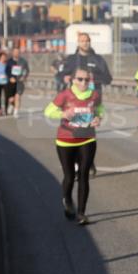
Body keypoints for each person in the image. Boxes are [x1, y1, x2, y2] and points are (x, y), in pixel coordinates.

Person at [44, 68, 104, 225]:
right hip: (66, 140)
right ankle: (68, 200)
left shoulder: (94, 95)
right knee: (69, 176)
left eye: (86, 79)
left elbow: (100, 109)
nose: (83, 82)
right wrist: (63, 114)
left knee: (84, 175)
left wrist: (98, 118)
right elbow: (48, 111)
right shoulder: (65, 95)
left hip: (87, 139)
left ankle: (81, 213)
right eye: (80, 79)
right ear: (73, 80)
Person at [57, 33, 112, 177]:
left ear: (90, 42)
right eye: (82, 41)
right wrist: (65, 77)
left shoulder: (98, 59)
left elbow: (108, 78)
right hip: (73, 101)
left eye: (87, 41)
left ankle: (88, 161)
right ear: (78, 42)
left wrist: (95, 77)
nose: (85, 43)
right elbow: (60, 74)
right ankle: (76, 164)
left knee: (87, 133)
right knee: (72, 131)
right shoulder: (71, 59)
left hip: (91, 101)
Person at [5, 47, 30, 117]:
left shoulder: (23, 61)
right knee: (11, 99)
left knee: (17, 97)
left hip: (20, 82)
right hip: (11, 82)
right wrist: (10, 78)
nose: (16, 53)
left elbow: (27, 70)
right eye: (15, 52)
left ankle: (16, 112)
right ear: (12, 53)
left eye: (17, 52)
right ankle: (12, 105)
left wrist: (24, 77)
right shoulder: (9, 61)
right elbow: (6, 71)